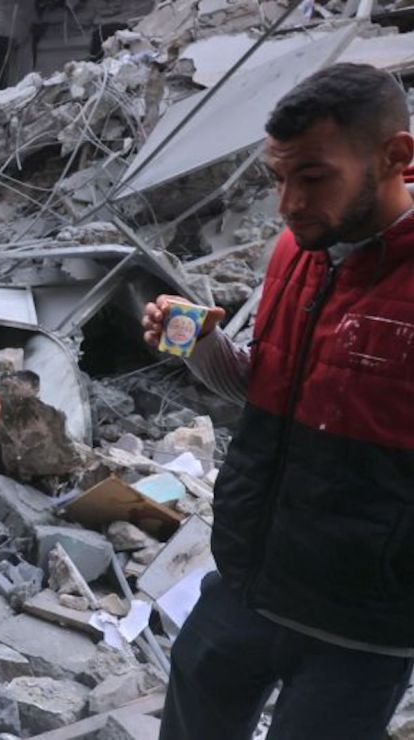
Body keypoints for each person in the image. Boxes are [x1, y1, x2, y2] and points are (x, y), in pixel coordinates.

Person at [141, 63, 414, 740]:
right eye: (278, 178)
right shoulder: (295, 252)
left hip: (364, 623)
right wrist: (199, 346)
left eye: (313, 177)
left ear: (396, 157)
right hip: (248, 581)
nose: (288, 203)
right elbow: (261, 386)